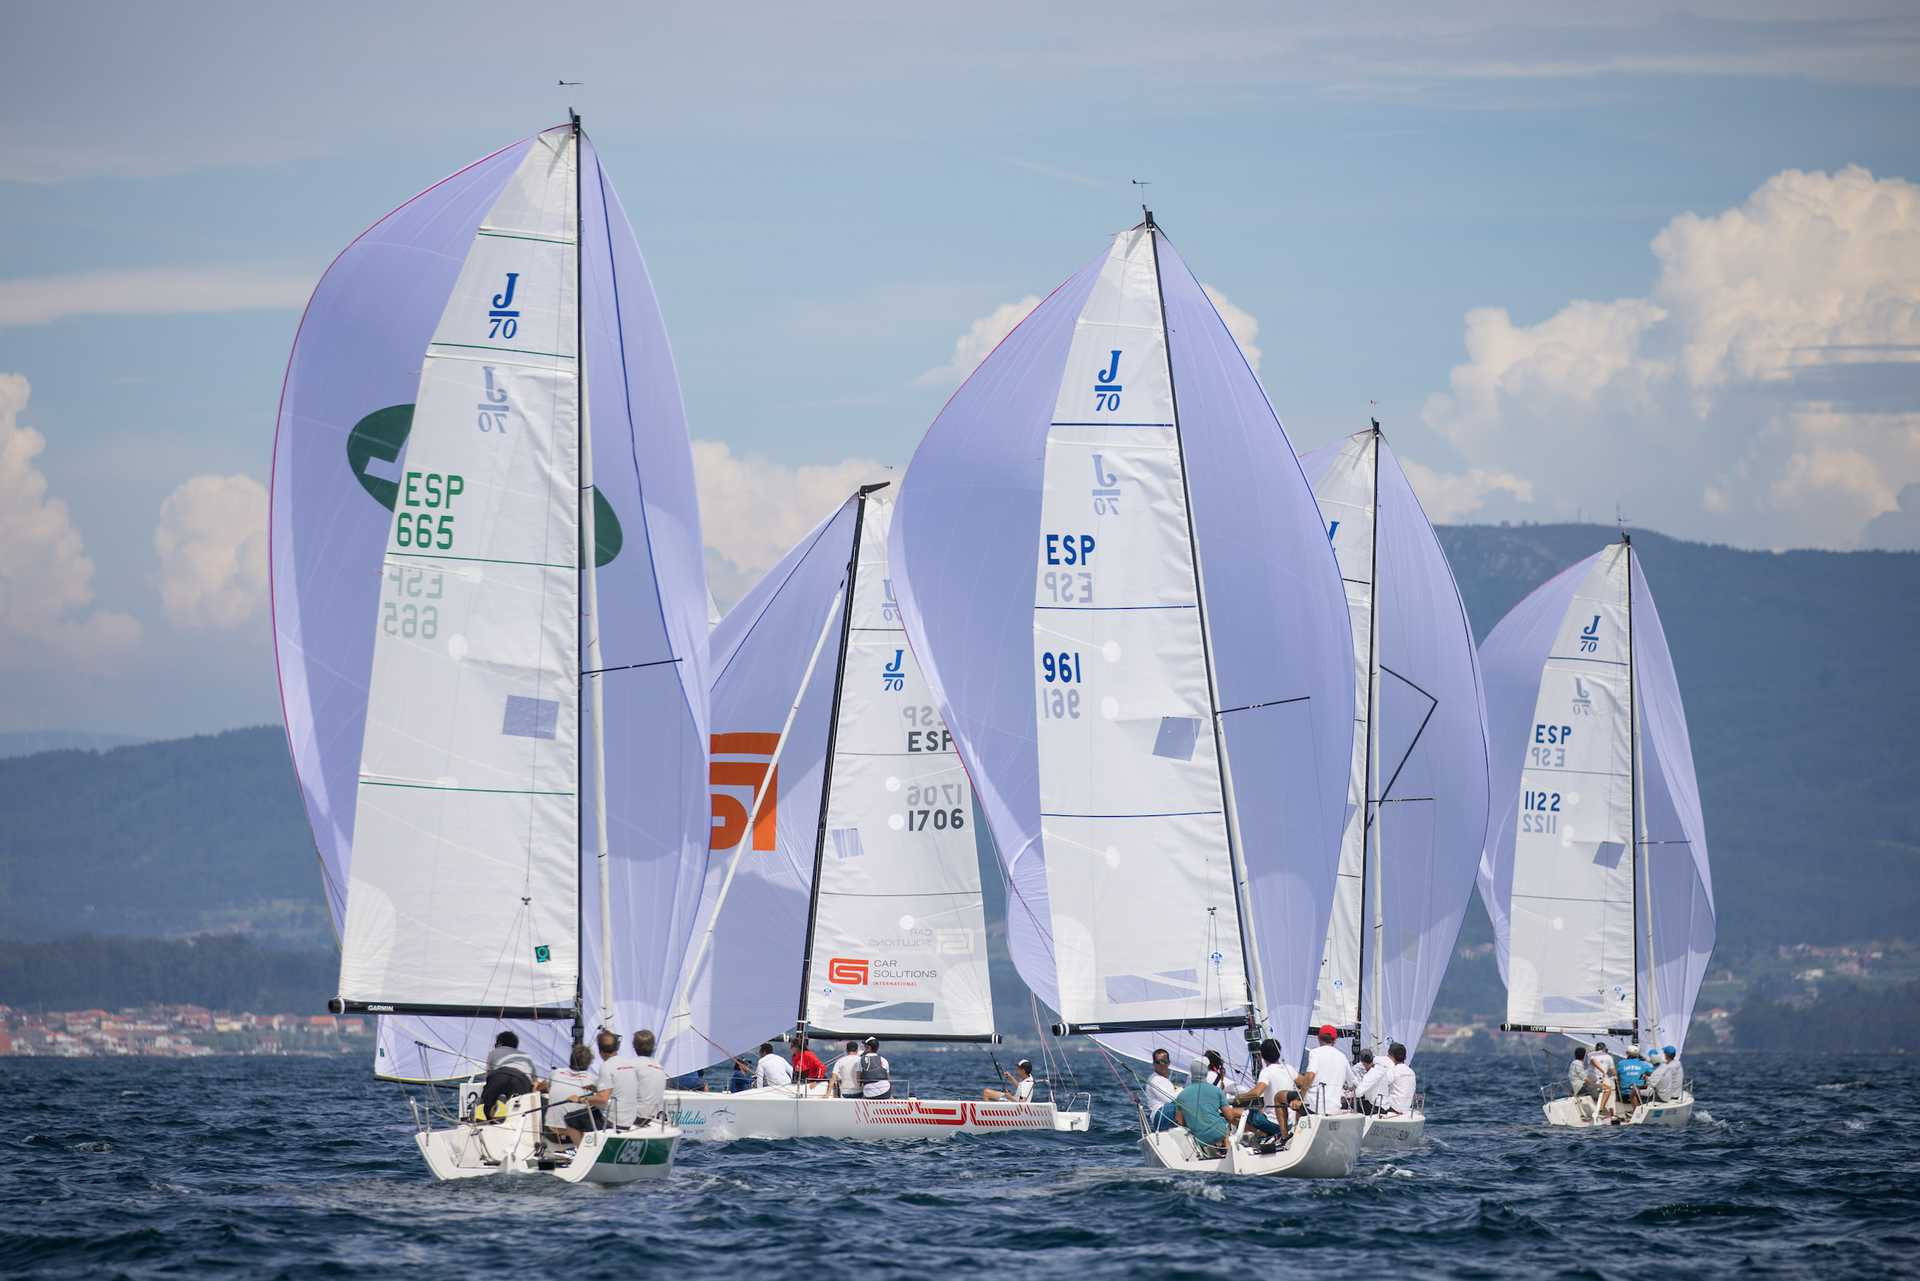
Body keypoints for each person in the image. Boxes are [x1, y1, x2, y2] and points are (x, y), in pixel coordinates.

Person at [1232, 1037, 1294, 1145]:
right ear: (1279, 1052)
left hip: (1275, 1123)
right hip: (1290, 1123)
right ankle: (1265, 1135)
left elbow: (1257, 1093)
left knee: (1234, 1112)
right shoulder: (1289, 1069)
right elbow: (1304, 1082)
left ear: (1262, 1055)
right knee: (1261, 1111)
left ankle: (1260, 1133)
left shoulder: (1266, 1072)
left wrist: (1238, 1098)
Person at [1172, 1055, 1241, 1151]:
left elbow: (1180, 1122)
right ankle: (1228, 1151)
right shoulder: (1217, 1091)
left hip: (1199, 1139)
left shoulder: (1181, 1095)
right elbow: (1229, 1117)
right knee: (1224, 1127)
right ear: (1206, 1072)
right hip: (1219, 1133)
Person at [539, 1044, 598, 1140]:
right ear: (589, 1062)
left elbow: (543, 1087)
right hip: (577, 1132)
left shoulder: (556, 1072)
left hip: (553, 1129)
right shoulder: (593, 1079)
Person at [476, 1030, 536, 1121]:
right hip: (522, 1080)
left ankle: (485, 1111)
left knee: (487, 1102)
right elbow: (535, 1083)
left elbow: (488, 1076)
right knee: (516, 1107)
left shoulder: (494, 1052)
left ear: (499, 1043)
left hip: (500, 1075)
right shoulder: (527, 1057)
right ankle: (502, 1108)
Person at [1298, 1025, 1350, 1115]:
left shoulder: (1315, 1053)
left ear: (1318, 1038)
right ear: (1335, 1040)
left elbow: (1310, 1075)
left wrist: (1300, 1098)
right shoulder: (1343, 1057)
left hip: (1313, 1107)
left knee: (1281, 1097)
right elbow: (1352, 1082)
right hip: (1335, 1109)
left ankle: (1289, 1128)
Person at [1144, 1048, 1181, 1131]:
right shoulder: (1155, 1080)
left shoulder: (1163, 1079)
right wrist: (1181, 1091)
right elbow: (1170, 1099)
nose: (1161, 1064)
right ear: (1153, 1064)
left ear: (1168, 1063)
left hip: (1167, 1113)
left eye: (1164, 1061)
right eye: (1158, 1062)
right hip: (1160, 1115)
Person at [1381, 1042, 1416, 1116]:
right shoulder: (1411, 1072)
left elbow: (1381, 1086)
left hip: (1393, 1110)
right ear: (1405, 1057)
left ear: (1391, 1056)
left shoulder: (1392, 1071)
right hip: (1406, 1109)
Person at [1356, 1049, 1392, 1115]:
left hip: (1376, 1108)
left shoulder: (1370, 1074)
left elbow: (1358, 1093)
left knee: (1352, 1104)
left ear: (1363, 1063)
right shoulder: (1381, 1069)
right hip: (1385, 1106)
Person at [1589, 1041, 1619, 1116]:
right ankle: (1601, 1109)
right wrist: (1616, 1077)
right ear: (1604, 1049)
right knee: (1608, 1089)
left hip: (1591, 1080)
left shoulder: (1590, 1055)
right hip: (1600, 1080)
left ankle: (1596, 1105)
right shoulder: (1609, 1057)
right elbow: (1613, 1072)